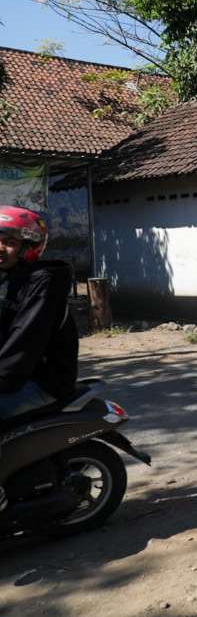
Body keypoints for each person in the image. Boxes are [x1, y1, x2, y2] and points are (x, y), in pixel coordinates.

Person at [0, 206, 79, 512]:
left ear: (29, 248)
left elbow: (23, 343)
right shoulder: (9, 280)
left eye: (9, 241)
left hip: (40, 381)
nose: (0, 247)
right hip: (16, 375)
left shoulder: (43, 284)